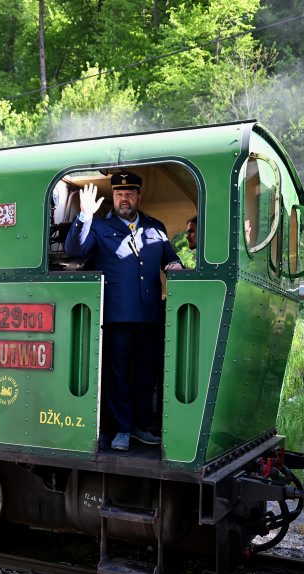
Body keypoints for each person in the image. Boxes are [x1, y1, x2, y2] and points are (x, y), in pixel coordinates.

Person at [65, 172, 183, 451]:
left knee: (146, 374)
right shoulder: (99, 228)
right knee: (118, 374)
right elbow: (74, 248)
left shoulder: (156, 227)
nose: (124, 198)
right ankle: (121, 429)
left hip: (150, 316)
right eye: (119, 194)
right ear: (114, 198)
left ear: (138, 197)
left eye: (129, 193)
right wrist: (84, 215)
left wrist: (176, 265)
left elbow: (170, 258)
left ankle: (141, 425)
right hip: (116, 317)